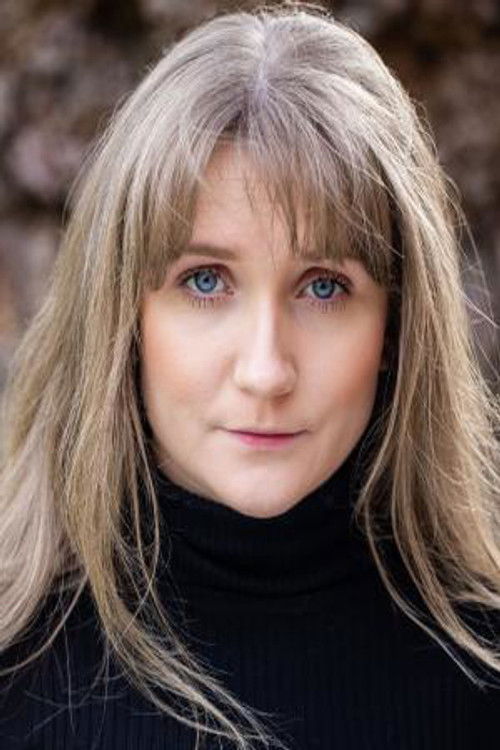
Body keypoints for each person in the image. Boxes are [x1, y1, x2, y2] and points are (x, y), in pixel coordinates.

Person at [0, 2, 499, 748]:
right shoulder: (16, 675)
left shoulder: (482, 680)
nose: (266, 372)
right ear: (124, 319)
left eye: (324, 287)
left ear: (395, 328)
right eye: (205, 281)